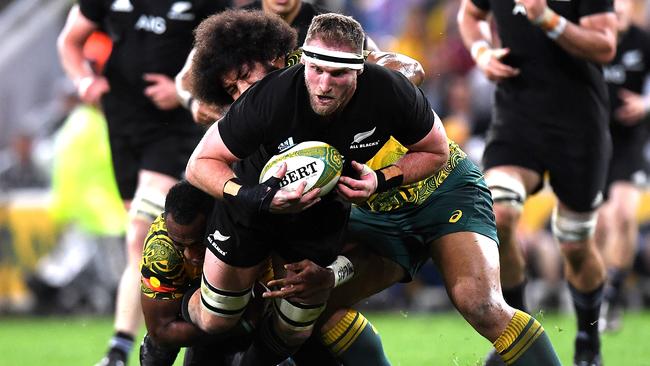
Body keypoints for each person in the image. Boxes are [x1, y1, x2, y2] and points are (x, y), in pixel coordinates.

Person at [182, 12, 449, 366]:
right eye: (316, 70)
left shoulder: (388, 91)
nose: (324, 84)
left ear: (359, 69)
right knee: (218, 317)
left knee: (295, 327)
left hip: (321, 214)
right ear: (303, 60)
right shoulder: (270, 96)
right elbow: (197, 165)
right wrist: (251, 196)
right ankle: (172, 326)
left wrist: (381, 179)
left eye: (338, 73)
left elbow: (436, 151)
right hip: (251, 201)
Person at [56, 1, 228, 365]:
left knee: (139, 232)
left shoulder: (203, 4)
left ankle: (123, 346)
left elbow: (224, 50)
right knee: (144, 241)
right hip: (121, 127)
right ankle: (175, 321)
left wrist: (182, 91)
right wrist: (84, 79)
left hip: (172, 129)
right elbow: (69, 41)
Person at [457, 0, 617, 365]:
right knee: (500, 216)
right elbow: (469, 13)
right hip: (517, 115)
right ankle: (517, 335)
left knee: (575, 244)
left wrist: (547, 18)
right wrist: (481, 51)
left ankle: (587, 340)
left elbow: (605, 45)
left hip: (579, 125)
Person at [597, 0, 650, 333]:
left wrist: (646, 104)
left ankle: (611, 298)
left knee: (625, 215)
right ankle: (595, 297)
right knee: (598, 227)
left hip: (629, 143)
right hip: (593, 144)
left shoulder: (642, 42)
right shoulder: (587, 39)